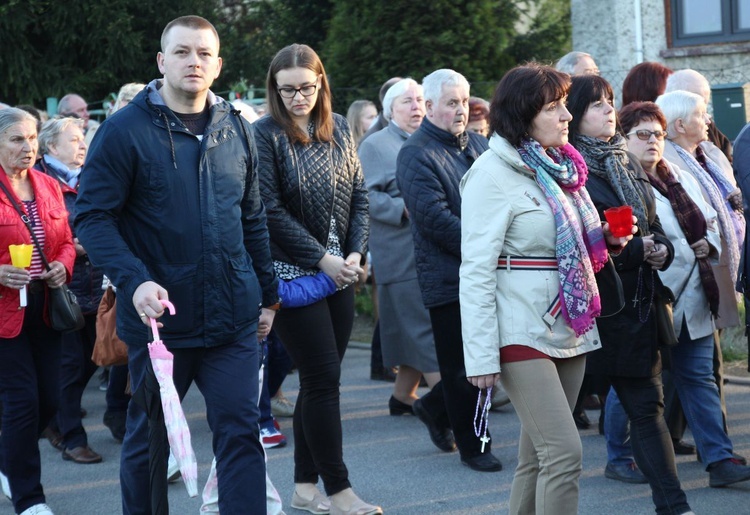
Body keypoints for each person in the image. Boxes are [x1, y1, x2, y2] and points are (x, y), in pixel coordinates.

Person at [74, 16, 278, 514]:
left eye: (204, 53)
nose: (194, 61)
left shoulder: (237, 129)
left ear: (218, 64)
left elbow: (252, 217)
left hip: (231, 319)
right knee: (149, 444)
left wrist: (267, 295)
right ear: (162, 62)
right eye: (182, 52)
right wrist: (133, 279)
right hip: (157, 324)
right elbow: (92, 217)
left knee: (240, 434)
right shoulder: (124, 131)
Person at [460, 63, 629, 514]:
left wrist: (606, 242)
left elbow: (567, 244)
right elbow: (474, 271)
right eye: (554, 108)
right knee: (565, 454)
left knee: (537, 458)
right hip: (519, 327)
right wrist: (479, 356)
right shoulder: (490, 174)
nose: (566, 116)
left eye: (564, 106)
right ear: (523, 114)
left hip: (568, 324)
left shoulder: (561, 168)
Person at [252, 43, 380, 515]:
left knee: (319, 383)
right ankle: (340, 489)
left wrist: (353, 252)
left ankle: (305, 489)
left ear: (321, 84)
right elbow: (267, 209)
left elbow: (360, 199)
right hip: (291, 275)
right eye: (286, 90)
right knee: (324, 380)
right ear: (275, 90)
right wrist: (321, 258)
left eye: (306, 87)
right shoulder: (263, 134)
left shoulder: (340, 128)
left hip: (340, 272)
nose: (297, 97)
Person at [568, 74, 694, 515]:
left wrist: (662, 248)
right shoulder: (568, 170)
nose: (608, 111)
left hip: (634, 310)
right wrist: (639, 248)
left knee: (646, 407)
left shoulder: (624, 162)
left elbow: (652, 225)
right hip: (587, 312)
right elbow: (576, 243)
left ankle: (674, 506)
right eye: (597, 104)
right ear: (574, 116)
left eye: (610, 102)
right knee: (558, 424)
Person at [621, 100, 750, 487]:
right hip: (649, 298)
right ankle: (619, 454)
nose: (653, 142)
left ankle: (719, 459)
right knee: (634, 381)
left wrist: (707, 245)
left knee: (698, 377)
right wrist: (673, 250)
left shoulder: (677, 173)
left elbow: (709, 218)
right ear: (622, 139)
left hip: (692, 294)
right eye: (642, 135)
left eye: (658, 134)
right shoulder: (619, 179)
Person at [396, 68, 502, 472]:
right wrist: (489, 246)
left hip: (489, 270)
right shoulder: (415, 152)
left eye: (465, 101)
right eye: (452, 102)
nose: (462, 110)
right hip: (448, 275)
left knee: (490, 359)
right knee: (461, 369)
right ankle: (476, 447)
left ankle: (434, 409)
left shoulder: (479, 143)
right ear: (430, 106)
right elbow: (435, 220)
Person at [0, 107, 76, 515]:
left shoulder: (48, 186)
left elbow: (65, 240)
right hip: (4, 314)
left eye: (31, 139)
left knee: (50, 400)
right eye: (16, 139)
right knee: (22, 402)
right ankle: (29, 498)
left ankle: (6, 457)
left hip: (46, 308)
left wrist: (63, 265)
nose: (27, 147)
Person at [358, 78, 441, 415]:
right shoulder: (376, 144)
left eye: (420, 100)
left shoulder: (429, 141)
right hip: (399, 251)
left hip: (430, 250)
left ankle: (403, 397)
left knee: (416, 327)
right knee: (423, 330)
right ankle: (451, 401)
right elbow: (364, 195)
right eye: (407, 101)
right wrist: (401, 208)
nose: (416, 106)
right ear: (390, 109)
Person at [34, 116, 105, 464]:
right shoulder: (39, 183)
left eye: (82, 139)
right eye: (75, 140)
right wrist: (75, 247)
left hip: (94, 287)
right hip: (62, 290)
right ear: (51, 147)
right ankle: (72, 438)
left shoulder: (88, 177)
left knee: (93, 360)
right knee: (70, 366)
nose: (82, 145)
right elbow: (36, 236)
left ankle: (52, 421)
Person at [665, 69, 733, 164]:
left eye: (705, 105)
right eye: (698, 108)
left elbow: (728, 161)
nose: (707, 119)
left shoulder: (709, 127)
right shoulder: (661, 140)